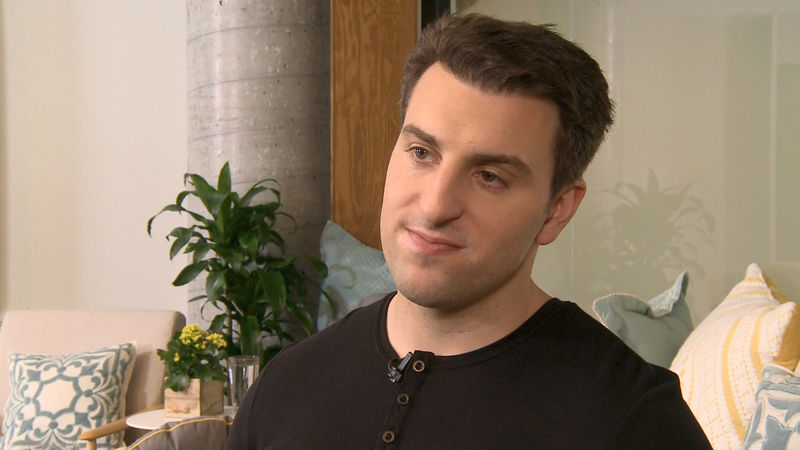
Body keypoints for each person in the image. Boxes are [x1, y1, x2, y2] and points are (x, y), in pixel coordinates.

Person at [226, 13, 710, 449]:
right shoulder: (285, 386)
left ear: (556, 210)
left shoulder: (636, 422)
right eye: (421, 153)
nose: (435, 206)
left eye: (489, 177)